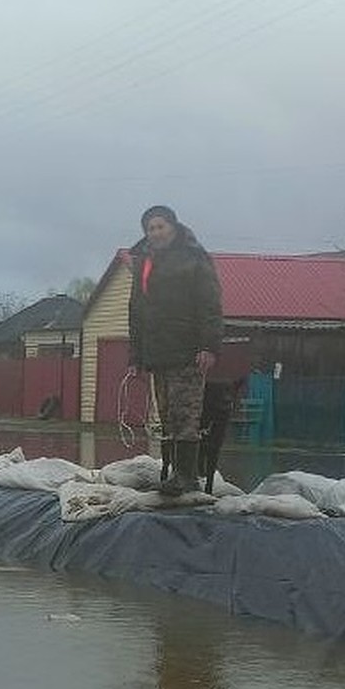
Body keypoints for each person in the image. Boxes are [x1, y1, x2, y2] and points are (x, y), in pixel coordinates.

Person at [127, 205, 224, 496]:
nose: (155, 232)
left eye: (160, 226)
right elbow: (136, 311)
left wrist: (209, 345)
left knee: (186, 415)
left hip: (187, 351)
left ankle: (188, 477)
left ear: (173, 227)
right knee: (167, 416)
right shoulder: (143, 262)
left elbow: (210, 305)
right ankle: (173, 474)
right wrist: (136, 355)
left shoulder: (194, 258)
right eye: (150, 228)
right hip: (158, 353)